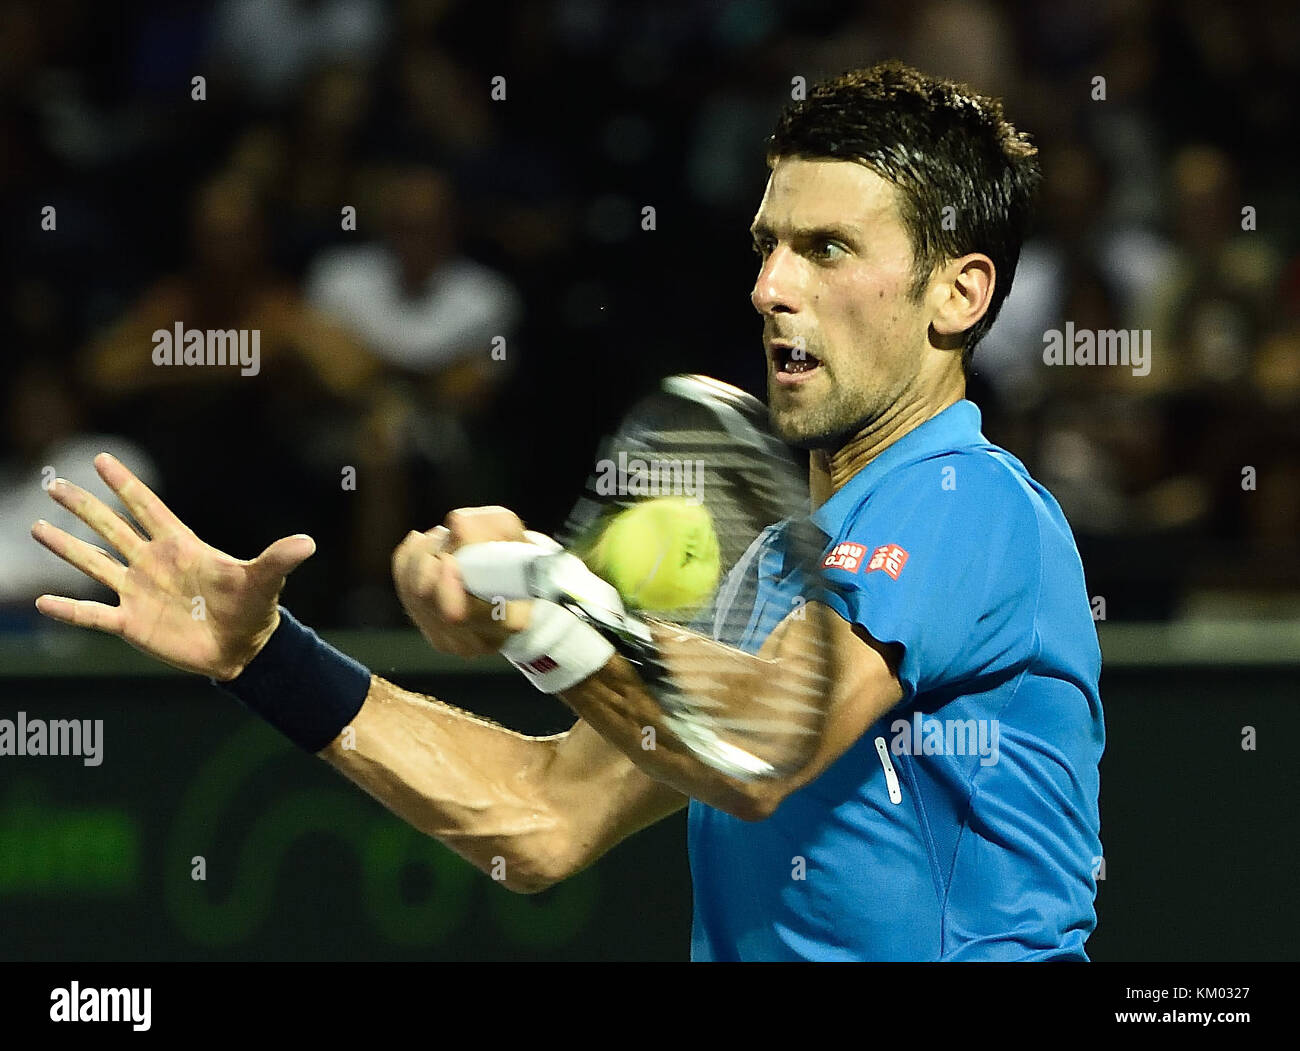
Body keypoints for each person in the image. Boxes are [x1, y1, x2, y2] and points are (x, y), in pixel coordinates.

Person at [29, 62, 1102, 961]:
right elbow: (541, 817)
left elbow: (768, 739)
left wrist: (539, 597)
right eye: (767, 246)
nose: (770, 285)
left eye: (826, 249)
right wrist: (265, 655)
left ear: (958, 294)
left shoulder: (971, 500)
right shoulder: (777, 565)